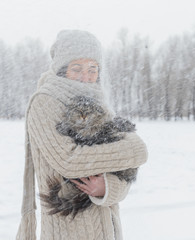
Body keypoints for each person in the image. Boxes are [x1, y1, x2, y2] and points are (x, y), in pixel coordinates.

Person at [16, 30, 148, 240]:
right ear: (62, 69)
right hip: (69, 229)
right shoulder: (45, 102)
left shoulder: (99, 103)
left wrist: (108, 186)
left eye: (92, 69)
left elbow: (125, 170)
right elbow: (70, 160)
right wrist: (133, 149)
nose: (86, 77)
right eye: (77, 68)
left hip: (107, 228)